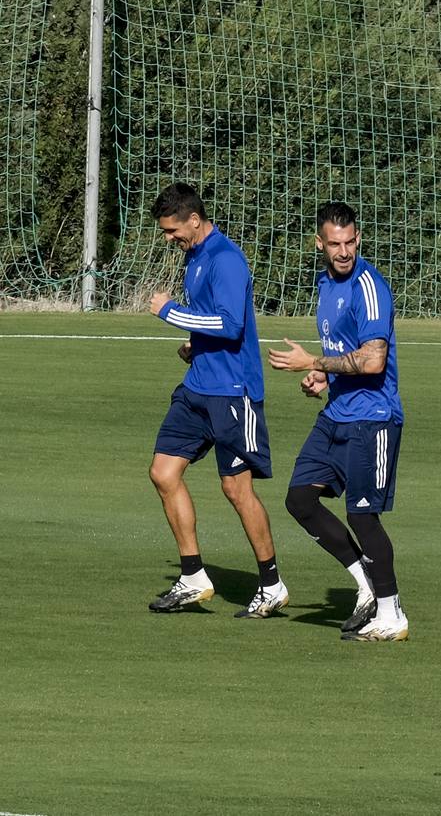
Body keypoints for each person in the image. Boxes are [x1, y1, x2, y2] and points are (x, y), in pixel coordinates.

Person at [146, 182, 287, 617]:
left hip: (232, 394)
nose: (170, 239)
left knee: (236, 489)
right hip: (197, 389)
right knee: (163, 472)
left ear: (194, 219)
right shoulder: (194, 257)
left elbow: (229, 325)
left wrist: (169, 312)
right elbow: (210, 326)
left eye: (173, 230)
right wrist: (194, 344)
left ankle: (271, 584)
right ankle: (193, 576)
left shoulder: (227, 259)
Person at [268, 203, 408, 641]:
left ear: (359, 238)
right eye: (335, 244)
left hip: (373, 420)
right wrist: (323, 374)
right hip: (336, 415)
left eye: (350, 242)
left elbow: (373, 360)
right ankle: (365, 583)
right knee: (300, 500)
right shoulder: (325, 282)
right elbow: (344, 348)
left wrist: (311, 360)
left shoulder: (370, 286)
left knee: (364, 518)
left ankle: (392, 614)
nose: (344, 251)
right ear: (320, 244)